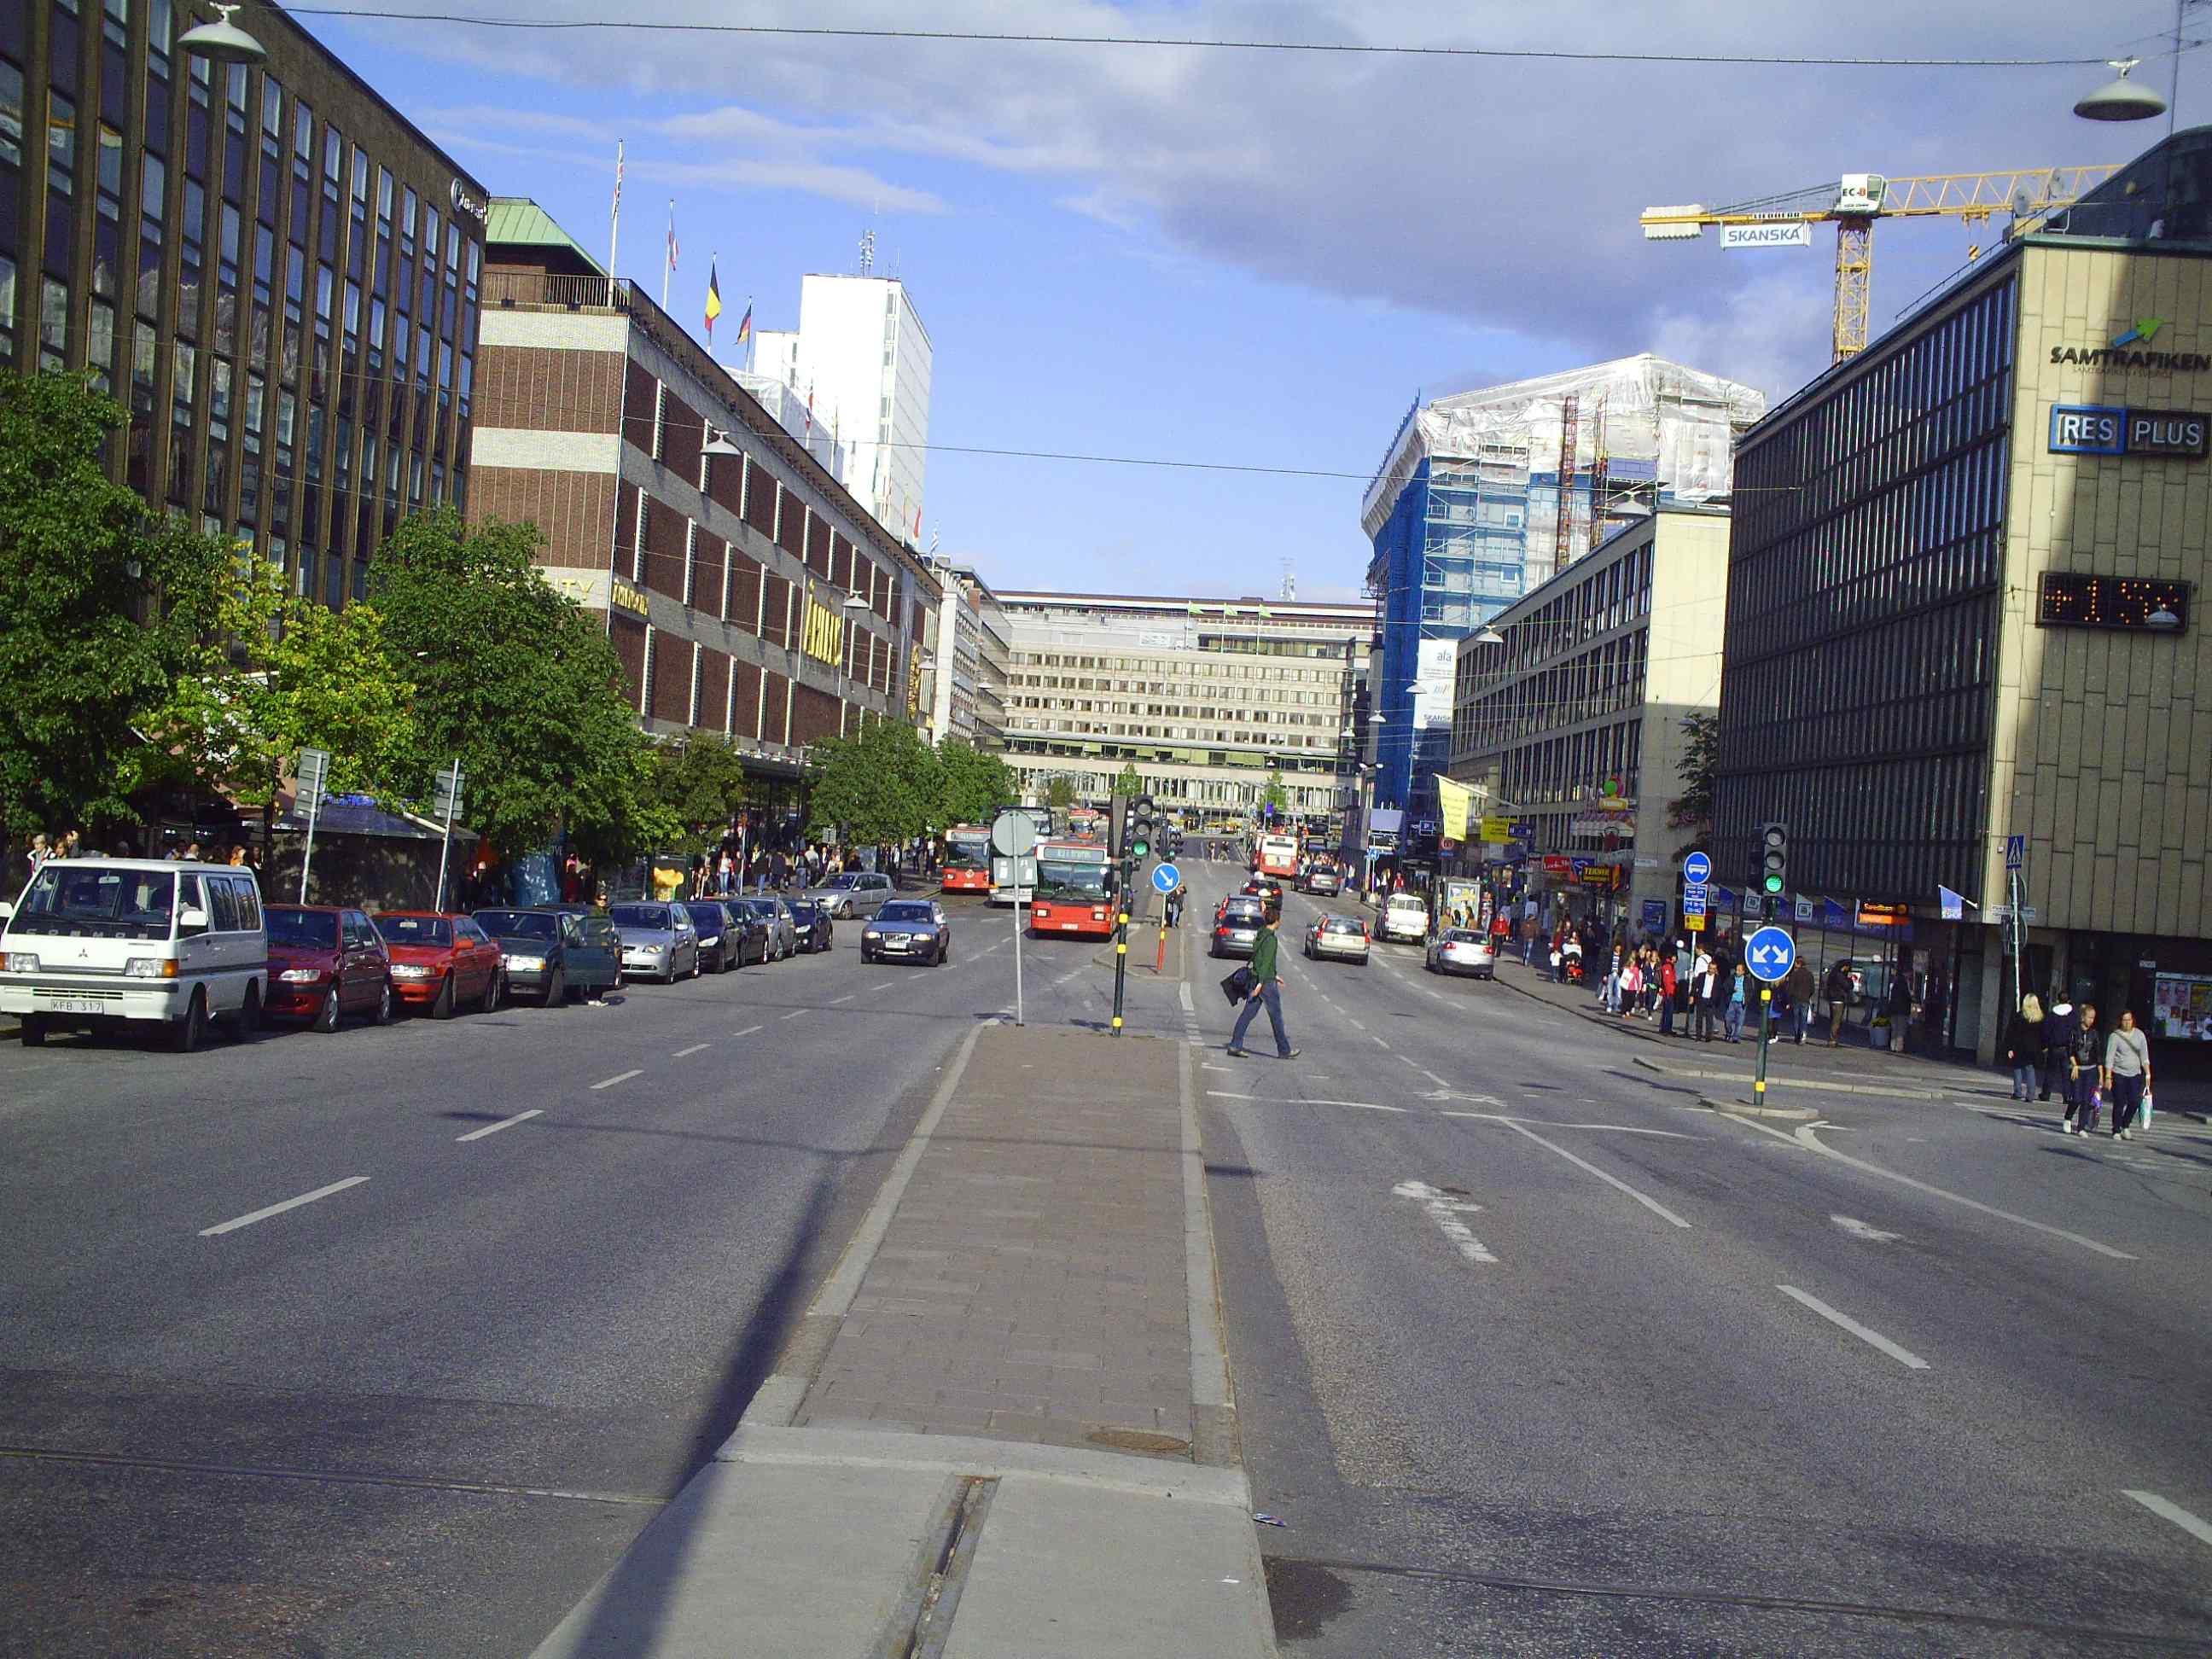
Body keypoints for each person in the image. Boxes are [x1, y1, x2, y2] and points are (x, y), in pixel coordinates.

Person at [1226, 911, 1298, 1061]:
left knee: (1247, 1014)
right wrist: (1261, 983)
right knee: (1276, 1017)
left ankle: (1235, 1045)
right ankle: (1284, 1050)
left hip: (1257, 978)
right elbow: (1266, 963)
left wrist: (1274, 975)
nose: (1280, 922)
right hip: (1266, 983)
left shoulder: (1260, 934)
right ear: (1276, 921)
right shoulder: (1271, 940)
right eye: (1279, 920)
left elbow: (1260, 959)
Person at [2102, 1008, 2151, 1141]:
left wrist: (2148, 1074)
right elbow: (2109, 1058)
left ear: (2133, 1020)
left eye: (2129, 1020)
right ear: (2120, 1021)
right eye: (2124, 1020)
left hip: (2135, 1074)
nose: (2127, 1023)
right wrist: (2108, 1077)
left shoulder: (2140, 1035)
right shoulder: (2115, 1036)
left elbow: (2144, 1056)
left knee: (2135, 1101)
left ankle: (2125, 1125)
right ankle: (2116, 1129)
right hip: (2119, 1073)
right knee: (2119, 1102)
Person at [2064, 1003, 2100, 1134]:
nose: (2091, 1020)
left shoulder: (2094, 1034)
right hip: (2077, 1068)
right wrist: (2074, 1065)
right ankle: (2068, 1118)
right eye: (2089, 1017)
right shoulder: (2074, 1031)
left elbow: (2098, 1055)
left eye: (2093, 1018)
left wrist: (2101, 1075)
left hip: (2090, 1069)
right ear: (2083, 1017)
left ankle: (2081, 1127)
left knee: (2086, 1100)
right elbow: (2070, 1050)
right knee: (2077, 1098)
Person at [2005, 994, 2045, 1100]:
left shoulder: (2020, 1016)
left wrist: (2010, 1047)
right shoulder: (2040, 1017)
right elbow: (2043, 1035)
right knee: (2030, 1069)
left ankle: (2018, 1092)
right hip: (2033, 1047)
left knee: (2017, 1068)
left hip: (2019, 1046)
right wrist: (2042, 1047)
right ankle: (2030, 1094)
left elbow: (2012, 1032)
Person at [2040, 998, 2079, 1103]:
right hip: (2067, 1048)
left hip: (2054, 1047)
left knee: (2050, 1072)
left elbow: (2046, 1031)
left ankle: (2046, 1094)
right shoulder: (2072, 1015)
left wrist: (2045, 1045)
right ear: (2068, 1000)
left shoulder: (2052, 1014)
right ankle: (2067, 1096)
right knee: (2065, 1074)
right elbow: (2076, 1031)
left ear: (2058, 1000)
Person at [1784, 957, 1817, 1045]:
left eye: (1795, 963)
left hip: (1796, 999)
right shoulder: (1809, 974)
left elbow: (1790, 988)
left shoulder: (1794, 974)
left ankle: (1797, 1036)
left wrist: (1789, 999)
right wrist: (1808, 995)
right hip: (1805, 999)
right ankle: (1803, 1035)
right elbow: (1812, 989)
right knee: (1804, 1018)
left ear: (1798, 963)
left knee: (1796, 1018)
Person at [1825, 958, 1855, 1045]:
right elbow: (1847, 986)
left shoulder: (1833, 974)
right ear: (1845, 967)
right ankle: (1832, 1039)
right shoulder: (1840, 976)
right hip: (1839, 999)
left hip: (1832, 998)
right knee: (1836, 1021)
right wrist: (1849, 979)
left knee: (1833, 1019)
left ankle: (1833, 1038)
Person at [1693, 948, 1720, 1042]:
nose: (1711, 970)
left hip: (1710, 1000)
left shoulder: (1717, 979)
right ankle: (1698, 1035)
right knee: (1699, 1019)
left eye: (1713, 969)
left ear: (1715, 970)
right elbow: (1696, 986)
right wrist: (1693, 996)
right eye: (1710, 968)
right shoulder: (1702, 975)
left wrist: (1715, 1001)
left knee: (1709, 1019)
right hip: (1701, 998)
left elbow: (1718, 991)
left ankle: (1708, 1036)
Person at [1724, 963, 1749, 1043]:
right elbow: (1725, 988)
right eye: (1736, 970)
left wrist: (1747, 999)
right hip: (1732, 1002)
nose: (1737, 972)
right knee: (1727, 1019)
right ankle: (1729, 1033)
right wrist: (1732, 990)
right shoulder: (1731, 978)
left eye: (1739, 970)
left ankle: (1736, 1037)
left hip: (1741, 1003)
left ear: (1743, 972)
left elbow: (1750, 991)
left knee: (1739, 1022)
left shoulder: (1747, 980)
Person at [1658, 951, 1679, 1036]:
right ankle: (1666, 1029)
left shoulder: (1670, 965)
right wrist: (1668, 992)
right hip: (1669, 992)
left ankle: (1665, 1028)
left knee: (1667, 1010)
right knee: (1668, 1011)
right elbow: (1666, 981)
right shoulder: (1667, 966)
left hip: (1670, 991)